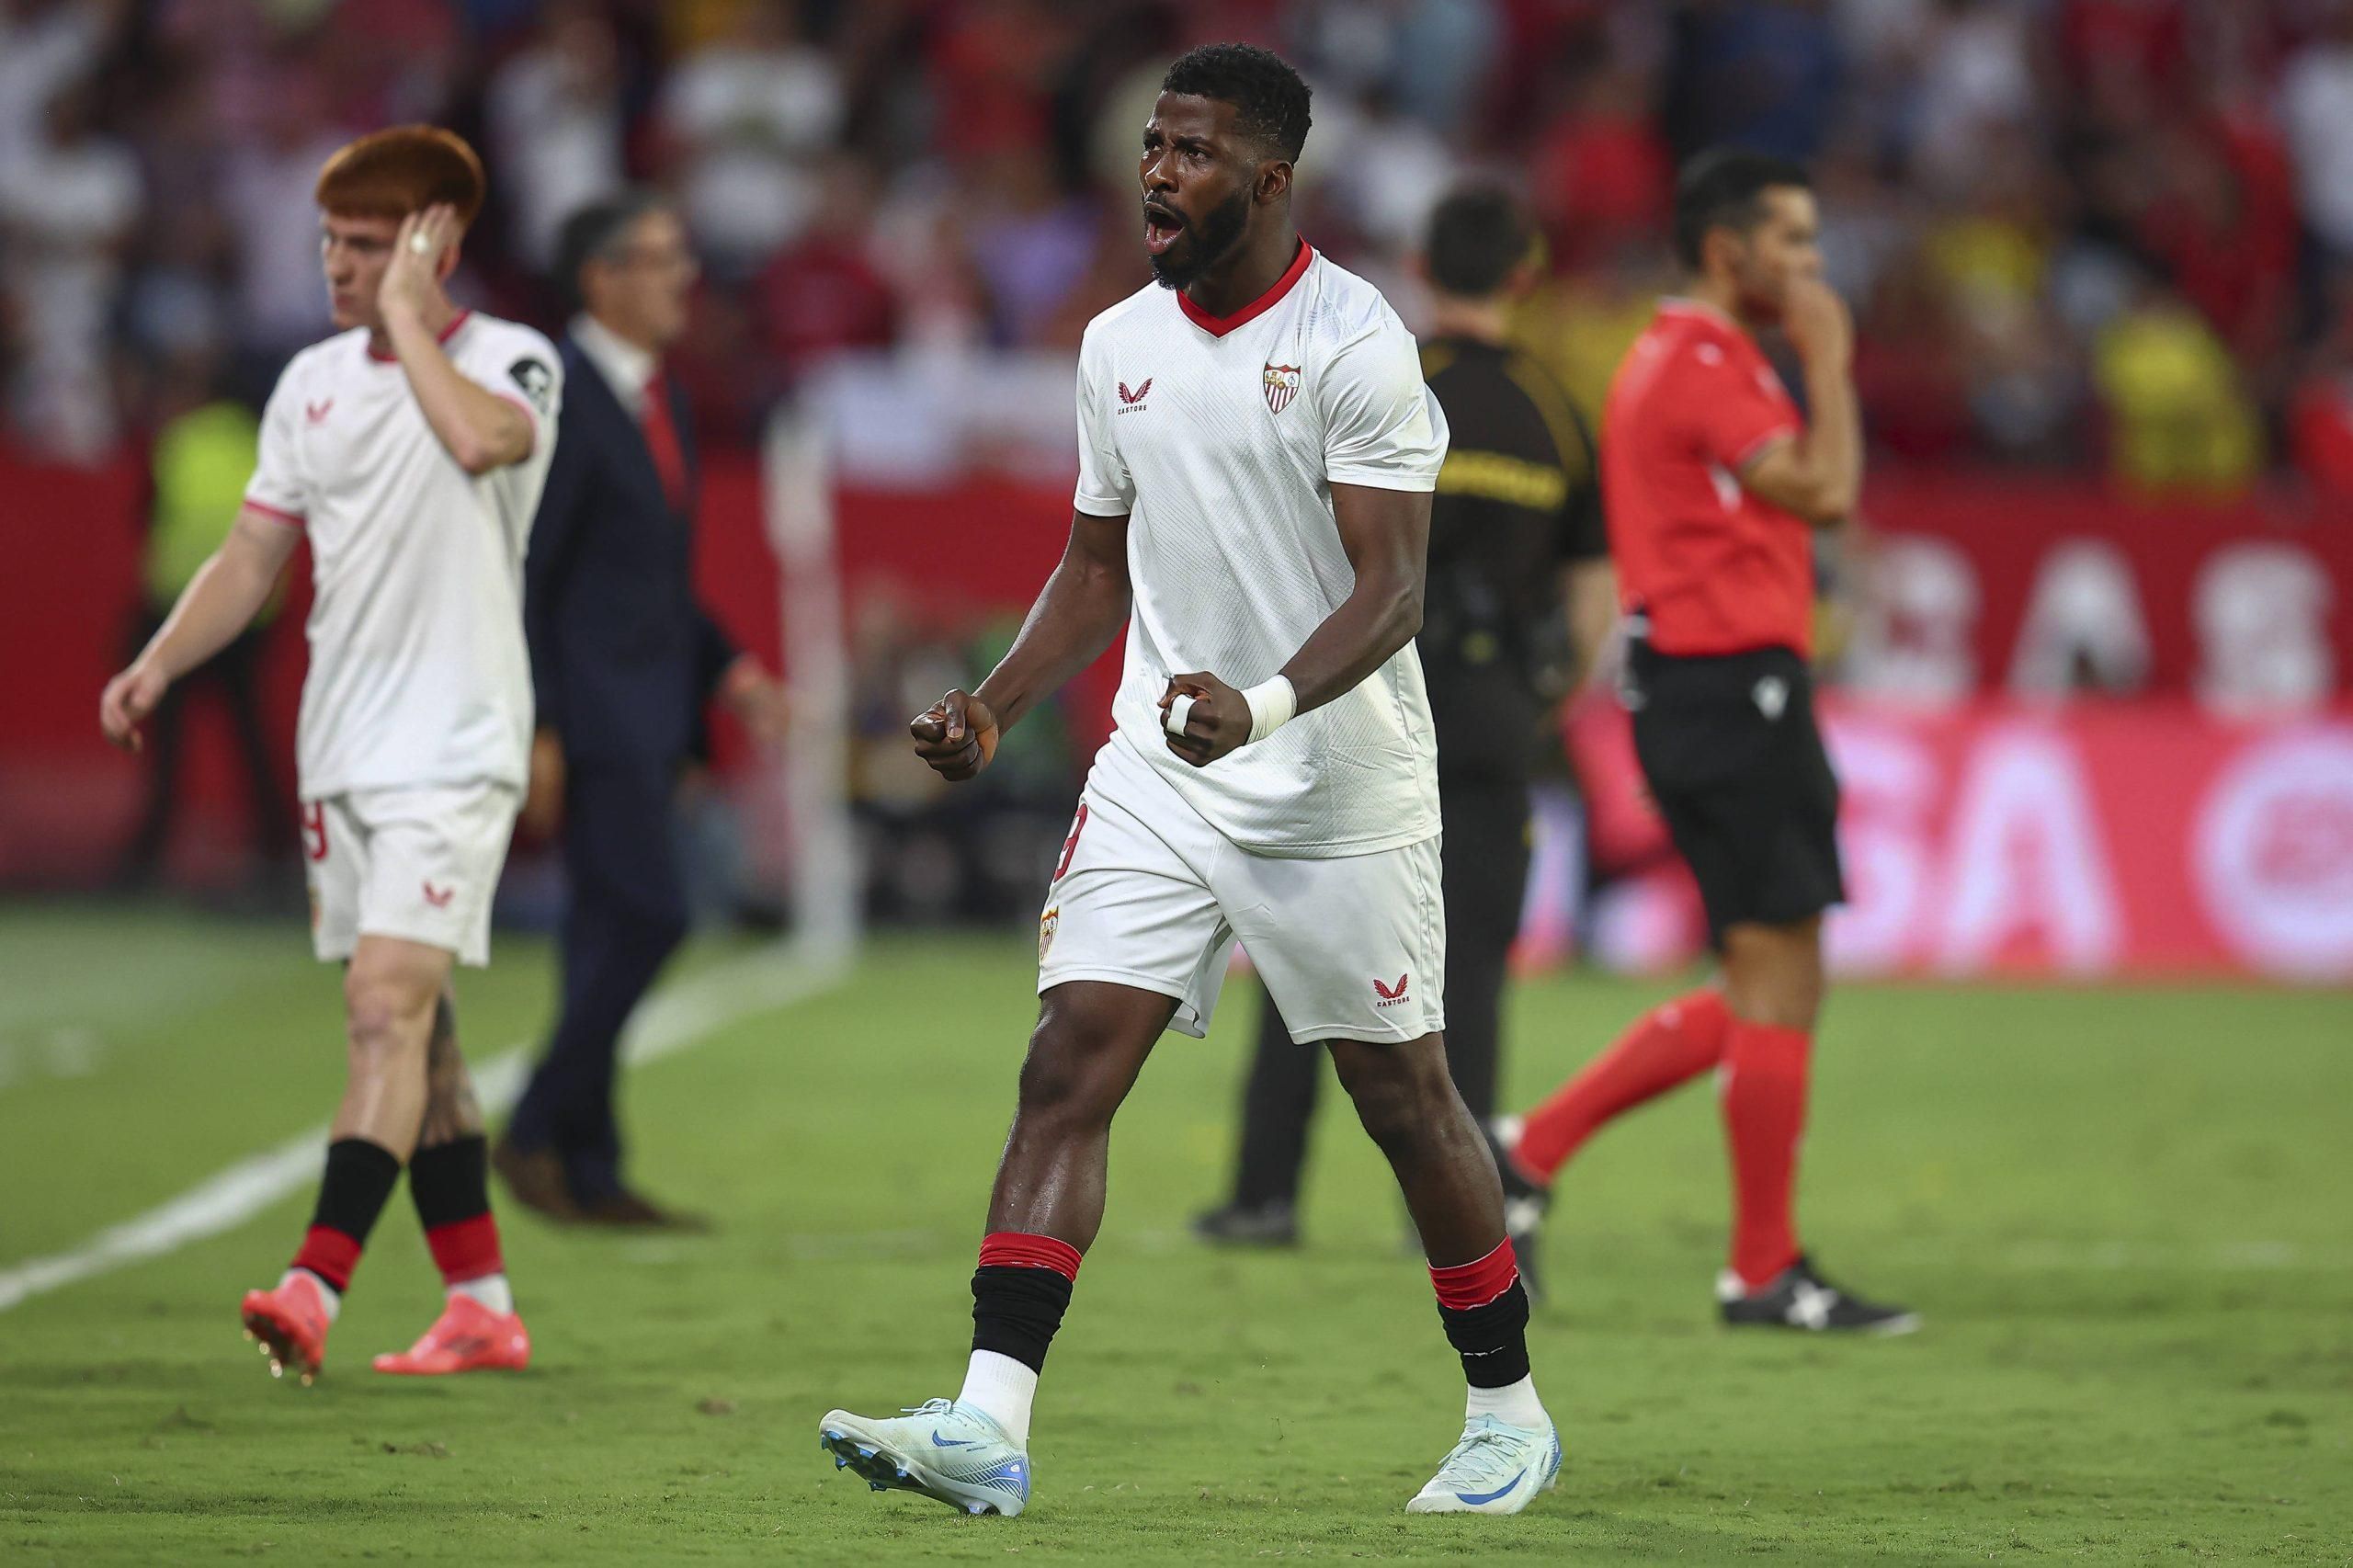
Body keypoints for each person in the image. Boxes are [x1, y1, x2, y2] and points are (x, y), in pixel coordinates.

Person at [816, 44, 1559, 1519]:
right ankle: (988, 1420)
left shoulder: (1358, 345)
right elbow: (1095, 569)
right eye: (1153, 145)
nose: (1156, 171)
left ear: (1270, 180)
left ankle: (1507, 1409)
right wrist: (994, 705)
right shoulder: (1117, 344)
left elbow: (1393, 590)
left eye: (1193, 151)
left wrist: (1263, 703)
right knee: (1068, 1060)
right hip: (1161, 770)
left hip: (1335, 785)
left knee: (1408, 1100)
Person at [98, 126, 562, 1382]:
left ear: (435, 244)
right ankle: (481, 1301)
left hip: (454, 743)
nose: (338, 265)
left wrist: (410, 313)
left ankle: (314, 1281)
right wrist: (160, 661)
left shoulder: (513, 359)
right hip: (342, 749)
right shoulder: (308, 381)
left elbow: (481, 441)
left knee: (382, 1007)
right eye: (331, 242)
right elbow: (253, 552)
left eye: (367, 244)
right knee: (425, 1033)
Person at [1489, 149, 1916, 1334]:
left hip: (1715, 689)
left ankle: (1532, 1151)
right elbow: (1825, 490)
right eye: (1795, 244)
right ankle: (1760, 1268)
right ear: (1728, 251)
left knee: (1770, 975)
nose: (1813, 267)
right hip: (1731, 691)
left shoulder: (1682, 357)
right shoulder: (1702, 363)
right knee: (1777, 973)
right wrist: (1830, 356)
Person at [1193, 186, 1610, 1265]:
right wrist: (1542, 700)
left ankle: (1263, 1193)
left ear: (1420, 268)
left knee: (1305, 948)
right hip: (1493, 715)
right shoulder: (1557, 413)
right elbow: (1592, 593)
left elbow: (1299, 545)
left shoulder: (1379, 382)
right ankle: (1455, 1215)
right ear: (1525, 275)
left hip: (1364, 702)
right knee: (1467, 968)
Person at [494, 190, 788, 1226]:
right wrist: (537, 724)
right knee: (653, 915)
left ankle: (590, 1164)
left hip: (646, 709)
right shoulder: (560, 399)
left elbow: (651, 580)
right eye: (659, 259)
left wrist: (727, 669)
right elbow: (528, 574)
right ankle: (535, 1123)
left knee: (601, 930)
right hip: (592, 716)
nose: (682, 278)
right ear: (601, 278)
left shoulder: (659, 400)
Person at [113, 354, 292, 891]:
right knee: (248, 734)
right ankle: (277, 844)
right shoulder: (258, 444)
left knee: (165, 741)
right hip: (248, 619)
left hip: (176, 611)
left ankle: (150, 849)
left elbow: (148, 515)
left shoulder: (179, 441)